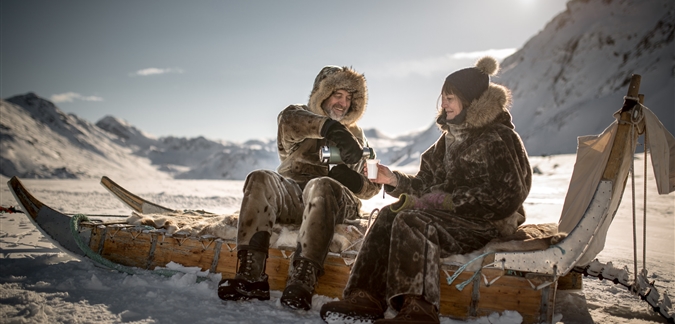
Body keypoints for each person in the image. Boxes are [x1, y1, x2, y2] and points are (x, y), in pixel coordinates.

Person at [319, 56, 532, 323]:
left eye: (450, 98)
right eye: (443, 97)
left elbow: (507, 196)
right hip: (452, 218)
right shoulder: (449, 140)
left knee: (413, 221)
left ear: (470, 100)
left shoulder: (499, 138)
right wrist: (393, 180)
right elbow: (425, 184)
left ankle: (419, 309)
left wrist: (448, 202)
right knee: (389, 215)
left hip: (488, 222)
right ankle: (366, 297)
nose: (443, 104)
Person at [217, 65, 382, 311]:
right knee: (260, 177)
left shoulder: (360, 137)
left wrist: (352, 178)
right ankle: (250, 276)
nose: (343, 103)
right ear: (322, 94)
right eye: (338, 94)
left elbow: (372, 187)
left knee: (322, 184)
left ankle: (302, 280)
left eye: (349, 98)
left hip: (334, 201)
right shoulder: (297, 116)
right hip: (294, 193)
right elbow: (289, 121)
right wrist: (331, 128)